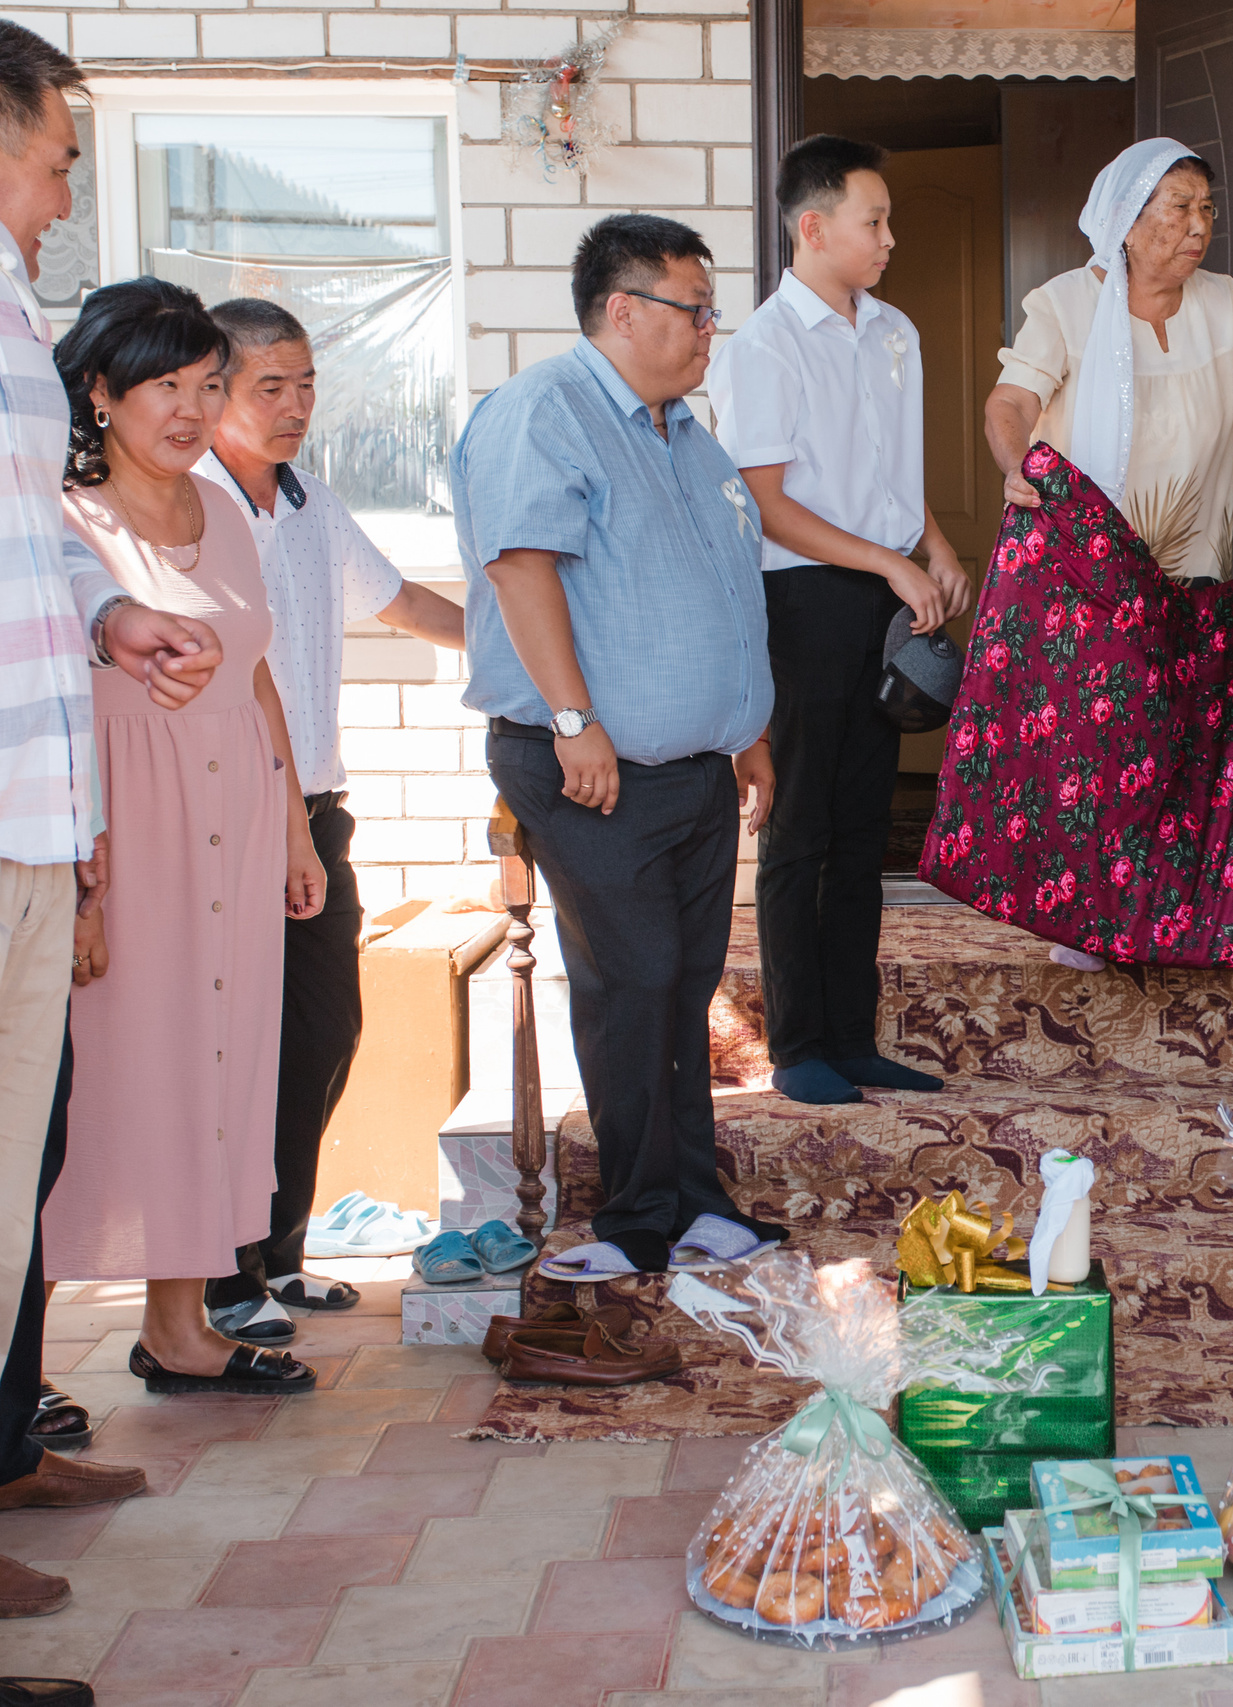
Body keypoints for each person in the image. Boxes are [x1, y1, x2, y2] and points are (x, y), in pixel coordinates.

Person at [0, 25, 230, 1633]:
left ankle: (6, 1449)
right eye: (59, 147)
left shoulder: (12, 308)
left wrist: (103, 619)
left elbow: (28, 546)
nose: (71, 179)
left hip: (33, 805)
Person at [456, 214, 783, 1282]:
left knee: (680, 985)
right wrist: (571, 719)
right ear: (623, 310)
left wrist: (747, 733)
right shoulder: (543, 411)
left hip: (688, 768)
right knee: (631, 981)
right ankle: (637, 1216)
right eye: (695, 309)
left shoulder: (684, 432)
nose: (709, 330)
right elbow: (519, 566)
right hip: (592, 765)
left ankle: (691, 1198)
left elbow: (724, 592)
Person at [981, 135, 1233, 969]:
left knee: (1179, 741)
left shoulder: (1221, 304)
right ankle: (1090, 918)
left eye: (1206, 209)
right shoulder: (1064, 304)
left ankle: (1165, 911)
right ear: (1129, 222)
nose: (1198, 226)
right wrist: (1019, 462)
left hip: (1188, 562)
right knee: (1101, 748)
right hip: (1088, 569)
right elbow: (1010, 400)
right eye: (1179, 208)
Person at [40, 277, 324, 1405]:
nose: (191, 409)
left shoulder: (224, 514)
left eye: (209, 386)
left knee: (215, 1065)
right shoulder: (61, 519)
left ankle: (180, 1327)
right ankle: (26, 1365)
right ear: (101, 393)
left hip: (237, 827)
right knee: (97, 1082)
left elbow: (258, 683)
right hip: (123, 832)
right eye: (166, 384)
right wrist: (74, 861)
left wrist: (296, 831)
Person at [196, 297, 466, 1343]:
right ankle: (223, 1279)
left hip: (317, 810)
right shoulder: (198, 509)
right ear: (213, 391)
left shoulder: (306, 500)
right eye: (272, 385)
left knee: (323, 1033)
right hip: (232, 816)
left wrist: (526, 650)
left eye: (307, 383)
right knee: (242, 1050)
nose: (297, 404)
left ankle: (279, 1254)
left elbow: (403, 602)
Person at [706, 135, 960, 1108]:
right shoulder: (762, 348)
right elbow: (764, 502)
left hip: (884, 594)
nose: (889, 238)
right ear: (813, 228)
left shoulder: (896, 332)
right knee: (800, 829)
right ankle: (799, 1044)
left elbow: (895, 475)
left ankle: (851, 1038)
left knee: (865, 827)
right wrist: (890, 562)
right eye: (874, 220)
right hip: (805, 598)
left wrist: (932, 543)